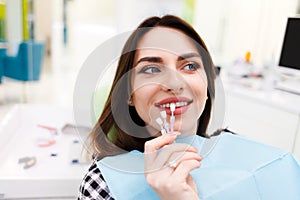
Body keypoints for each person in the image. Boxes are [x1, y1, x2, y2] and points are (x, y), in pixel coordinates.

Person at [78, 15, 300, 200]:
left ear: (207, 86)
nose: (175, 83)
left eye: (190, 66)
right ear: (128, 94)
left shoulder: (252, 159)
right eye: (152, 69)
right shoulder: (103, 183)